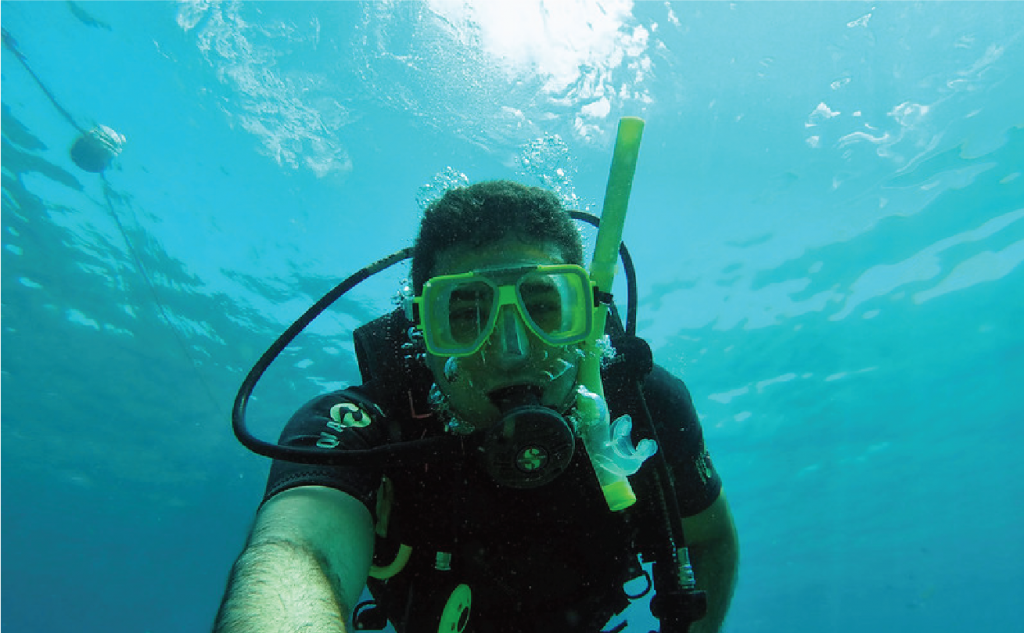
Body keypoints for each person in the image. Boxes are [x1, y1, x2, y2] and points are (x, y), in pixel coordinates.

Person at [214, 180, 738, 633]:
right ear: (422, 334)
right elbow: (301, 555)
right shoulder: (360, 433)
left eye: (543, 307)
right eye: (465, 312)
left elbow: (711, 539)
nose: (512, 352)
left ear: (589, 317)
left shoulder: (645, 409)